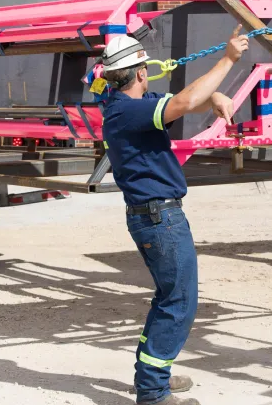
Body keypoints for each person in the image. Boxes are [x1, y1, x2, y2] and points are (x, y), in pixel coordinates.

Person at [100, 25, 249, 405]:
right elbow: (182, 103)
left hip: (156, 216)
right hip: (159, 218)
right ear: (139, 71)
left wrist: (213, 94)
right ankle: (152, 391)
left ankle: (153, 377)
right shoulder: (127, 112)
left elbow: (183, 100)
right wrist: (229, 59)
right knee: (179, 301)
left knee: (169, 297)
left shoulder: (129, 105)